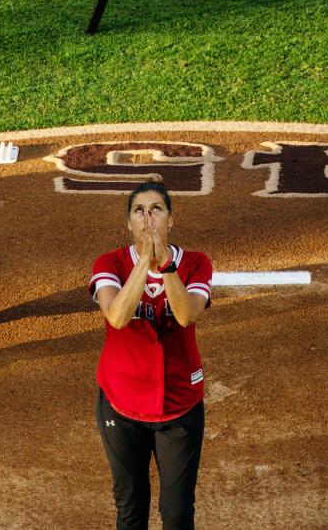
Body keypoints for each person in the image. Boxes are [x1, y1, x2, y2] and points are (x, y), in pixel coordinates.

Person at [88, 177, 214, 530]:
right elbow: (117, 316)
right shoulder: (109, 264)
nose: (148, 219)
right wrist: (145, 262)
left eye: (156, 210)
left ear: (170, 220)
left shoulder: (195, 263)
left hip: (179, 407)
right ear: (129, 222)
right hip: (121, 406)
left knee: (177, 514)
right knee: (131, 509)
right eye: (139, 212)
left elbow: (187, 314)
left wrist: (165, 267)